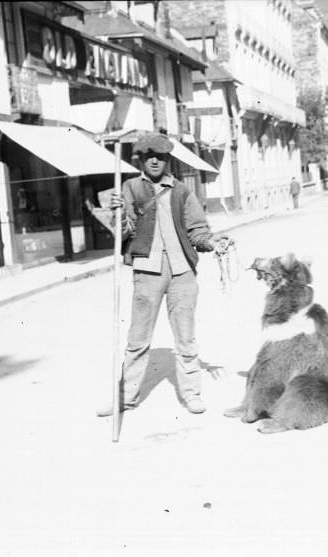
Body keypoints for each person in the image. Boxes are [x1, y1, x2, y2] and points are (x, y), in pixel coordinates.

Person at [97, 133, 230, 417]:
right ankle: (125, 398)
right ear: (141, 160)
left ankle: (192, 395)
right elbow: (123, 233)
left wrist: (212, 243)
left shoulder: (182, 191)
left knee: (186, 337)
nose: (155, 160)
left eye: (160, 156)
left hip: (182, 272)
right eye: (149, 156)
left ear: (168, 159)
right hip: (147, 271)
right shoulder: (130, 188)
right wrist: (118, 215)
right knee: (138, 338)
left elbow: (197, 230)